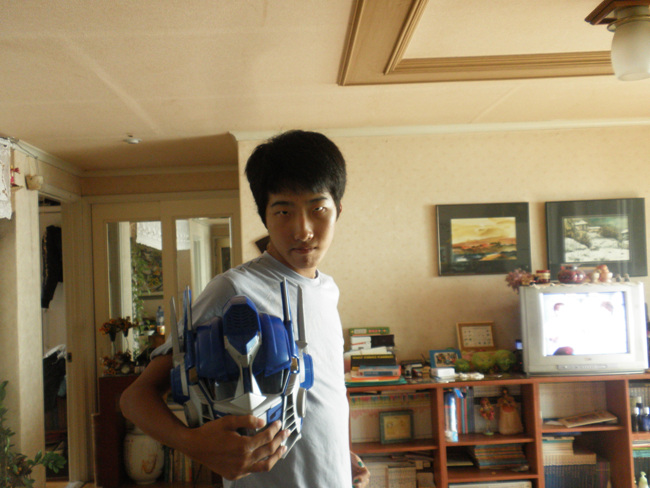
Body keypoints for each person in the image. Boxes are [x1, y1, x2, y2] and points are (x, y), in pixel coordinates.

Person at [120, 130, 370, 488]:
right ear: (264, 216)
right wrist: (194, 445)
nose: (302, 230)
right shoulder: (235, 290)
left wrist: (339, 458)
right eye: (283, 211)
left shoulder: (327, 290)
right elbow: (135, 398)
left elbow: (317, 398)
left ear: (338, 210)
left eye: (318, 209)